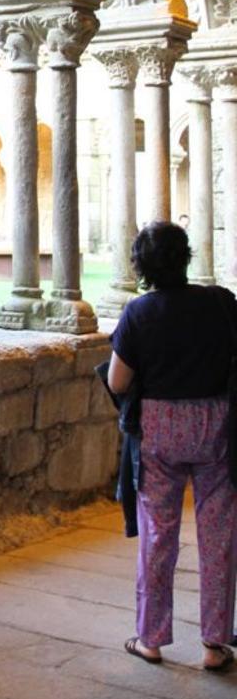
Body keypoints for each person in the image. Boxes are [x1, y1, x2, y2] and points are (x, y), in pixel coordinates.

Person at [107, 220, 237, 672]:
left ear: (141, 266)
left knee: (158, 534)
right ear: (186, 258)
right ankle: (214, 643)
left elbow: (117, 381)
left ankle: (151, 638)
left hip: (160, 431)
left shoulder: (138, 313)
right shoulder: (221, 302)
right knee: (219, 536)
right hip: (216, 426)